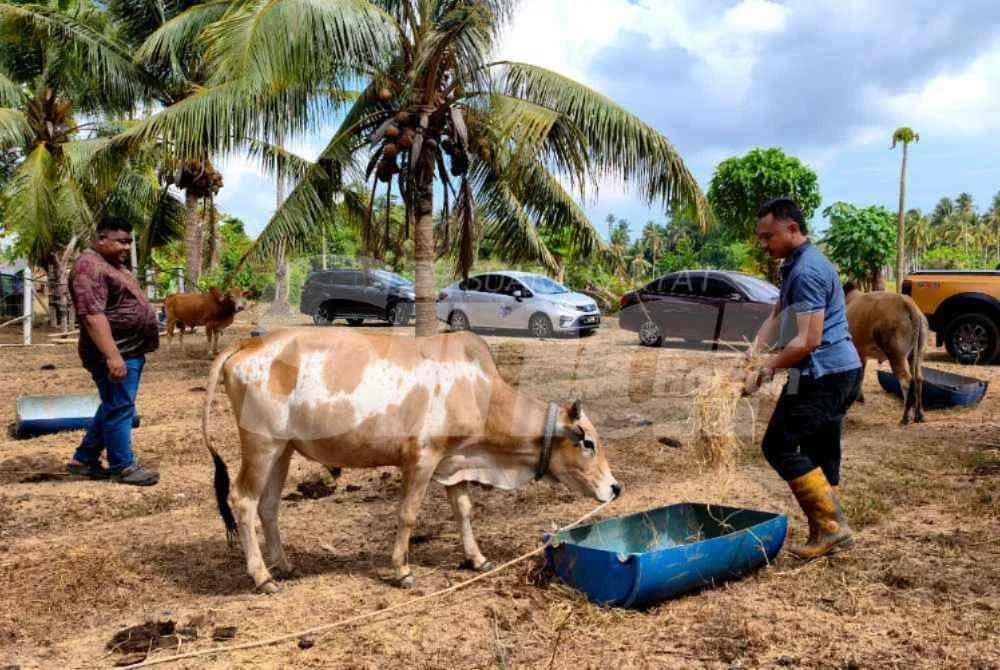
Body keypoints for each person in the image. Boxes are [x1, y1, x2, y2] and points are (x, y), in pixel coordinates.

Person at [744, 198, 862, 559]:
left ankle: (831, 527)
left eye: (769, 237)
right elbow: (779, 311)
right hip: (839, 370)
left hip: (825, 374)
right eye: (761, 238)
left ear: (792, 229)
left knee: (778, 445)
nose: (764, 245)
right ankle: (826, 529)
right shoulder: (794, 264)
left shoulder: (808, 270)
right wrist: (755, 349)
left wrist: (766, 369)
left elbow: (807, 340)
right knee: (820, 447)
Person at [66, 218, 160, 485]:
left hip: (128, 350)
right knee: (121, 408)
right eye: (121, 241)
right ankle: (123, 467)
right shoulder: (89, 266)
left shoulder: (111, 265)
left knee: (115, 405)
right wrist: (112, 356)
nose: (126, 247)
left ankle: (83, 460)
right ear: (101, 238)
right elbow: (92, 317)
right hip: (115, 352)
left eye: (129, 241)